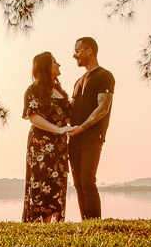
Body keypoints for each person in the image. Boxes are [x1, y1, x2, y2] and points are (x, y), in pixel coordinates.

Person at [22, 51, 72, 223]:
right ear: (45, 67)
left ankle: (54, 223)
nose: (58, 65)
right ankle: (39, 222)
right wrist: (57, 130)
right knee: (41, 182)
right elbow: (33, 117)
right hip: (40, 145)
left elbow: (67, 116)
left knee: (57, 182)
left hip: (59, 145)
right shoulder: (33, 90)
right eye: (54, 62)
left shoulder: (60, 91)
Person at [68, 36, 114, 220]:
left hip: (92, 137)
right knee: (78, 184)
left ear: (90, 50)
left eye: (77, 50)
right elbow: (70, 109)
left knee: (87, 180)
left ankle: (95, 222)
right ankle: (86, 222)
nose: (74, 55)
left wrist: (83, 127)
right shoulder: (78, 81)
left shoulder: (105, 76)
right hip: (74, 137)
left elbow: (103, 108)